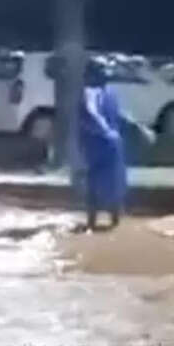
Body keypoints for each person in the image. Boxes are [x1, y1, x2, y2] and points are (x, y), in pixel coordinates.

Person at [79, 58, 128, 230]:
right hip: (101, 144)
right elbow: (92, 113)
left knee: (102, 181)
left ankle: (97, 222)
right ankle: (102, 222)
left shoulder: (100, 92)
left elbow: (117, 114)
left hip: (103, 143)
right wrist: (107, 131)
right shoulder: (95, 92)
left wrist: (140, 127)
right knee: (104, 181)